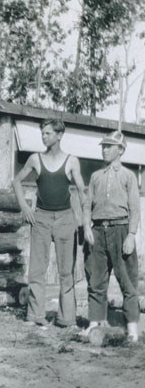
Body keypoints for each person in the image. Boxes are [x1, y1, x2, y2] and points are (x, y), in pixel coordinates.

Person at [12, 118, 86, 328]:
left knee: (66, 271)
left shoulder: (71, 161)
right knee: (37, 270)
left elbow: (81, 191)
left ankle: (66, 319)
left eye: (48, 133)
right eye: (42, 133)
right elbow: (17, 181)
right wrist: (25, 206)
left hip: (65, 219)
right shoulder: (36, 159)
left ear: (59, 135)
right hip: (41, 218)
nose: (44, 137)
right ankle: (35, 315)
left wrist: (84, 219)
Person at [83, 131, 141, 342]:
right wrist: (87, 227)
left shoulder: (128, 176)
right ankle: (94, 324)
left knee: (127, 281)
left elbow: (135, 208)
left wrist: (131, 235)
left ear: (121, 150)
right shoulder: (95, 176)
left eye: (109, 146)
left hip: (121, 229)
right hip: (97, 231)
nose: (104, 150)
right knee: (96, 279)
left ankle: (132, 329)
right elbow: (87, 204)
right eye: (103, 146)